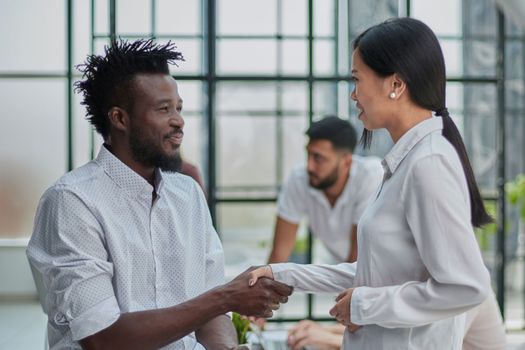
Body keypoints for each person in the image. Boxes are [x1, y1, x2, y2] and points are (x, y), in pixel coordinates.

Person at [26, 39, 292, 350]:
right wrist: (226, 297)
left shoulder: (187, 195)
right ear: (120, 118)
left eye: (178, 108)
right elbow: (102, 338)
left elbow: (210, 313)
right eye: (163, 109)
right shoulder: (72, 201)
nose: (179, 121)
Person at [248, 17, 495, 350]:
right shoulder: (408, 161)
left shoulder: (427, 164)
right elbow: (373, 274)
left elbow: (466, 287)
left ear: (395, 84)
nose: (353, 94)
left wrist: (363, 305)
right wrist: (281, 273)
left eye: (357, 79)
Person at [267, 116, 383, 264]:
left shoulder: (371, 177)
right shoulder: (300, 178)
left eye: (318, 158)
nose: (309, 166)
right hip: (346, 272)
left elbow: (357, 261)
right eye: (308, 154)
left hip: (387, 277)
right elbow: (278, 255)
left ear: (346, 162)